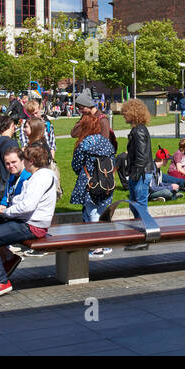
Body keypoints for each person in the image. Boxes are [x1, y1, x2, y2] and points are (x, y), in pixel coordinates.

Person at [0, 144, 56, 298]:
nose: (22, 163)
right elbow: (21, 199)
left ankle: (1, 282)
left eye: (23, 159)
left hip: (31, 226)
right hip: (27, 222)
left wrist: (7, 212)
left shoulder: (40, 178)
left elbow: (27, 205)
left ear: (30, 161)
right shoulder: (38, 176)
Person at [70, 108, 116, 257]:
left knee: (91, 212)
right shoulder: (106, 143)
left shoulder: (85, 143)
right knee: (102, 211)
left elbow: (76, 164)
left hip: (90, 182)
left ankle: (97, 247)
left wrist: (83, 172)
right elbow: (112, 161)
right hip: (106, 182)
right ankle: (104, 243)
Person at [123, 99, 154, 215]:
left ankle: (146, 229)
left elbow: (141, 156)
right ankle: (142, 228)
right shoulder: (137, 129)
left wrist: (134, 175)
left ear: (133, 113)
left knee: (140, 207)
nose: (123, 116)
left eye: (125, 113)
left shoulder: (139, 131)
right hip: (140, 172)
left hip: (141, 173)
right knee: (136, 206)